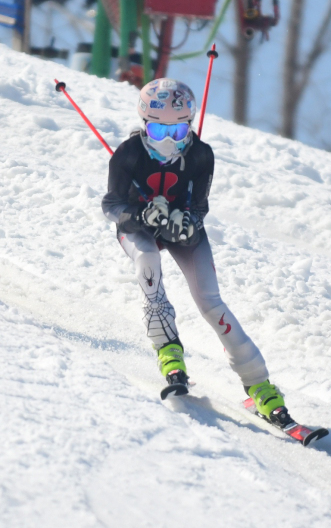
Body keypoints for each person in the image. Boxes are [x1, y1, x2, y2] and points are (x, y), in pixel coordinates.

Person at [101, 77, 295, 427]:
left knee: (210, 302)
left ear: (189, 125)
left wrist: (189, 222)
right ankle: (169, 353)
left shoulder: (201, 154)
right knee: (148, 262)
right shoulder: (128, 153)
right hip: (138, 227)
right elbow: (111, 205)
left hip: (181, 230)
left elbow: (200, 205)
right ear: (144, 125)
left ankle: (260, 386)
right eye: (158, 131)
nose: (168, 142)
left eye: (178, 132)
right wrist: (140, 216)